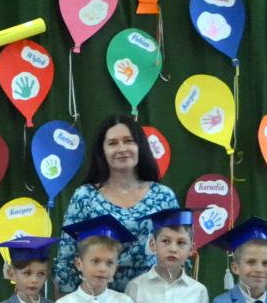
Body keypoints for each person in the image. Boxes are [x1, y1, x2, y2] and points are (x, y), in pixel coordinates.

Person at [54, 114, 179, 293]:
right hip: (97, 300)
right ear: (102, 151)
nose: (122, 149)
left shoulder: (163, 197)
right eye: (112, 143)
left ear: (140, 146)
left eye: (128, 141)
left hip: (154, 298)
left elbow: (179, 253)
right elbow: (66, 259)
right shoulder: (85, 197)